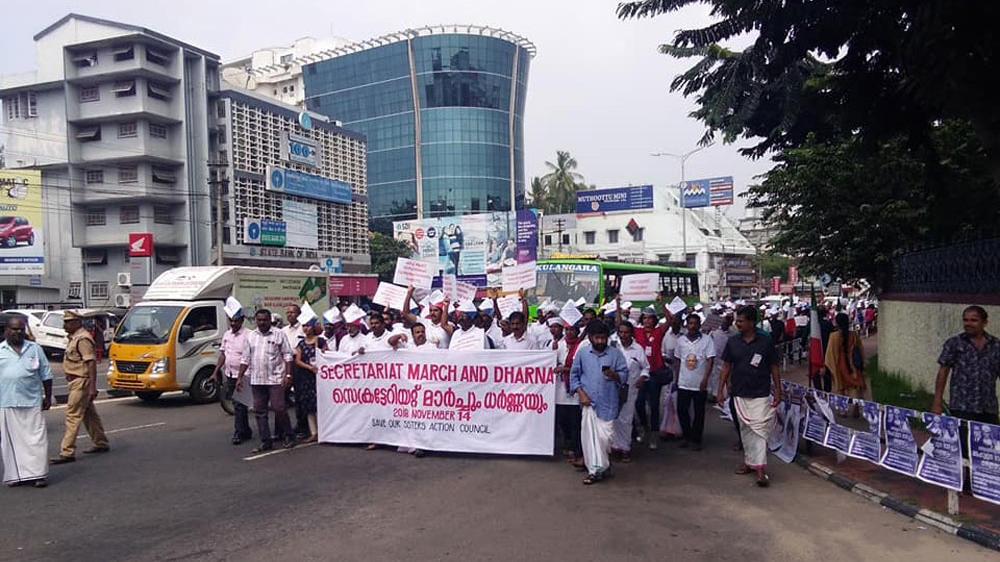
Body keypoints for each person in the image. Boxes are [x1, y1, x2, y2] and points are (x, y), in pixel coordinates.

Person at [717, 306, 781, 487]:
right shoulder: (733, 342)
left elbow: (774, 367)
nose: (737, 324)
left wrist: (778, 389)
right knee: (745, 430)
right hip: (739, 393)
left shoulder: (766, 342)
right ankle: (749, 462)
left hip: (760, 393)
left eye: (741, 321)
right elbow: (726, 367)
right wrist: (720, 389)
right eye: (737, 321)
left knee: (759, 430)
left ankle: (761, 470)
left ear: (752, 322)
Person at [570, 319, 628, 485]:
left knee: (605, 438)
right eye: (597, 338)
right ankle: (595, 470)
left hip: (609, 403)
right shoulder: (582, 353)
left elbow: (624, 375)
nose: (601, 341)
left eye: (603, 338)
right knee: (590, 438)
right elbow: (574, 375)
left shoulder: (615, 354)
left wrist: (614, 375)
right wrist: (581, 393)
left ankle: (604, 465)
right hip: (589, 403)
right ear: (590, 338)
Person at [0, 316, 53, 487]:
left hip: (32, 401)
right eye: (14, 329)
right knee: (12, 442)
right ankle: (16, 476)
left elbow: (46, 374)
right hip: (7, 402)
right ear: (6, 330)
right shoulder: (0, 350)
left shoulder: (35, 349)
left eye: (21, 329)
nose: (18, 332)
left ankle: (38, 475)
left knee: (36, 439)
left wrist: (48, 396)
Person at [51, 310, 110, 464]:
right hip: (75, 381)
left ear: (77, 322)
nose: (65, 325)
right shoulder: (73, 338)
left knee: (72, 415)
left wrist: (92, 387)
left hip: (81, 381)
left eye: (68, 322)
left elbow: (91, 363)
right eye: (64, 322)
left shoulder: (82, 339)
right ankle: (101, 442)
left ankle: (67, 451)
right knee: (89, 414)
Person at [237, 309, 295, 453]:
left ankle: (289, 435)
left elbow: (288, 355)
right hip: (257, 379)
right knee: (259, 411)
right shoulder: (251, 336)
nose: (262, 323)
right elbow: (245, 358)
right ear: (256, 321)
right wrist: (240, 377)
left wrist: (288, 375)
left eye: (265, 320)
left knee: (279, 408)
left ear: (270, 320)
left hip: (275, 378)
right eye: (259, 320)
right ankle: (265, 440)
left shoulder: (279, 334)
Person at [932, 306, 1000, 425]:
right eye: (965, 320)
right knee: (962, 442)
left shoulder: (996, 346)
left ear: (984, 323)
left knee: (988, 443)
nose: (968, 324)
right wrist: (937, 401)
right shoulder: (954, 344)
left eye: (974, 320)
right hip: (961, 407)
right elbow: (943, 372)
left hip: (988, 408)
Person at [674, 314, 715, 451]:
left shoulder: (707, 340)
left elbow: (710, 360)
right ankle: (687, 435)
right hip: (684, 382)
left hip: (699, 383)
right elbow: (678, 360)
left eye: (695, 323)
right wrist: (676, 378)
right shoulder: (680, 341)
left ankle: (696, 439)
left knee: (699, 412)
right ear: (686, 325)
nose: (692, 326)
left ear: (699, 325)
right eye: (690, 323)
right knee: (682, 410)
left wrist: (705, 379)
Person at [632, 298, 669, 450]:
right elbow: (619, 324)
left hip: (655, 373)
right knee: (639, 403)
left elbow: (670, 320)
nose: (647, 321)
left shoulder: (658, 331)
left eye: (650, 318)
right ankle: (644, 427)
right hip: (642, 373)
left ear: (654, 319)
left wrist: (662, 304)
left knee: (654, 405)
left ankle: (653, 434)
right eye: (645, 318)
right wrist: (619, 305)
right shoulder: (638, 332)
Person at [610, 322, 650, 463]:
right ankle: (615, 446)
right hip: (613, 388)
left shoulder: (637, 349)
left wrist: (642, 378)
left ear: (631, 333)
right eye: (621, 332)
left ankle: (625, 448)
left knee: (626, 419)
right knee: (614, 418)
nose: (623, 335)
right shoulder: (613, 346)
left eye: (626, 332)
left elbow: (645, 368)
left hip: (630, 388)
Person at [213, 309, 252, 445]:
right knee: (237, 405)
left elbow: (248, 357)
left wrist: (242, 376)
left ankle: (239, 433)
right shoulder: (227, 335)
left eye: (236, 321)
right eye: (231, 321)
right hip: (230, 374)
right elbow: (223, 355)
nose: (233, 323)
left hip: (244, 375)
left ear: (242, 321)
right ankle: (245, 430)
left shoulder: (248, 335)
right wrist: (215, 371)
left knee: (240, 405)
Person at [292, 319, 328, 444]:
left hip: (320, 376)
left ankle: (324, 430)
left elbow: (327, 354)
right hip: (306, 377)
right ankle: (314, 432)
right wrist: (309, 367)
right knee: (308, 404)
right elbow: (298, 360)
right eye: (304, 326)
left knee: (321, 402)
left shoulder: (321, 341)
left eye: (308, 326)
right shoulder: (301, 344)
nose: (306, 328)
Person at [824, 313, 867, 411]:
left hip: (839, 367)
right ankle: (855, 408)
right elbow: (860, 350)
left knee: (841, 389)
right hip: (852, 367)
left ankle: (842, 410)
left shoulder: (834, 336)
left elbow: (830, 354)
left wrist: (830, 367)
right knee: (854, 388)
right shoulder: (854, 335)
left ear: (837, 323)